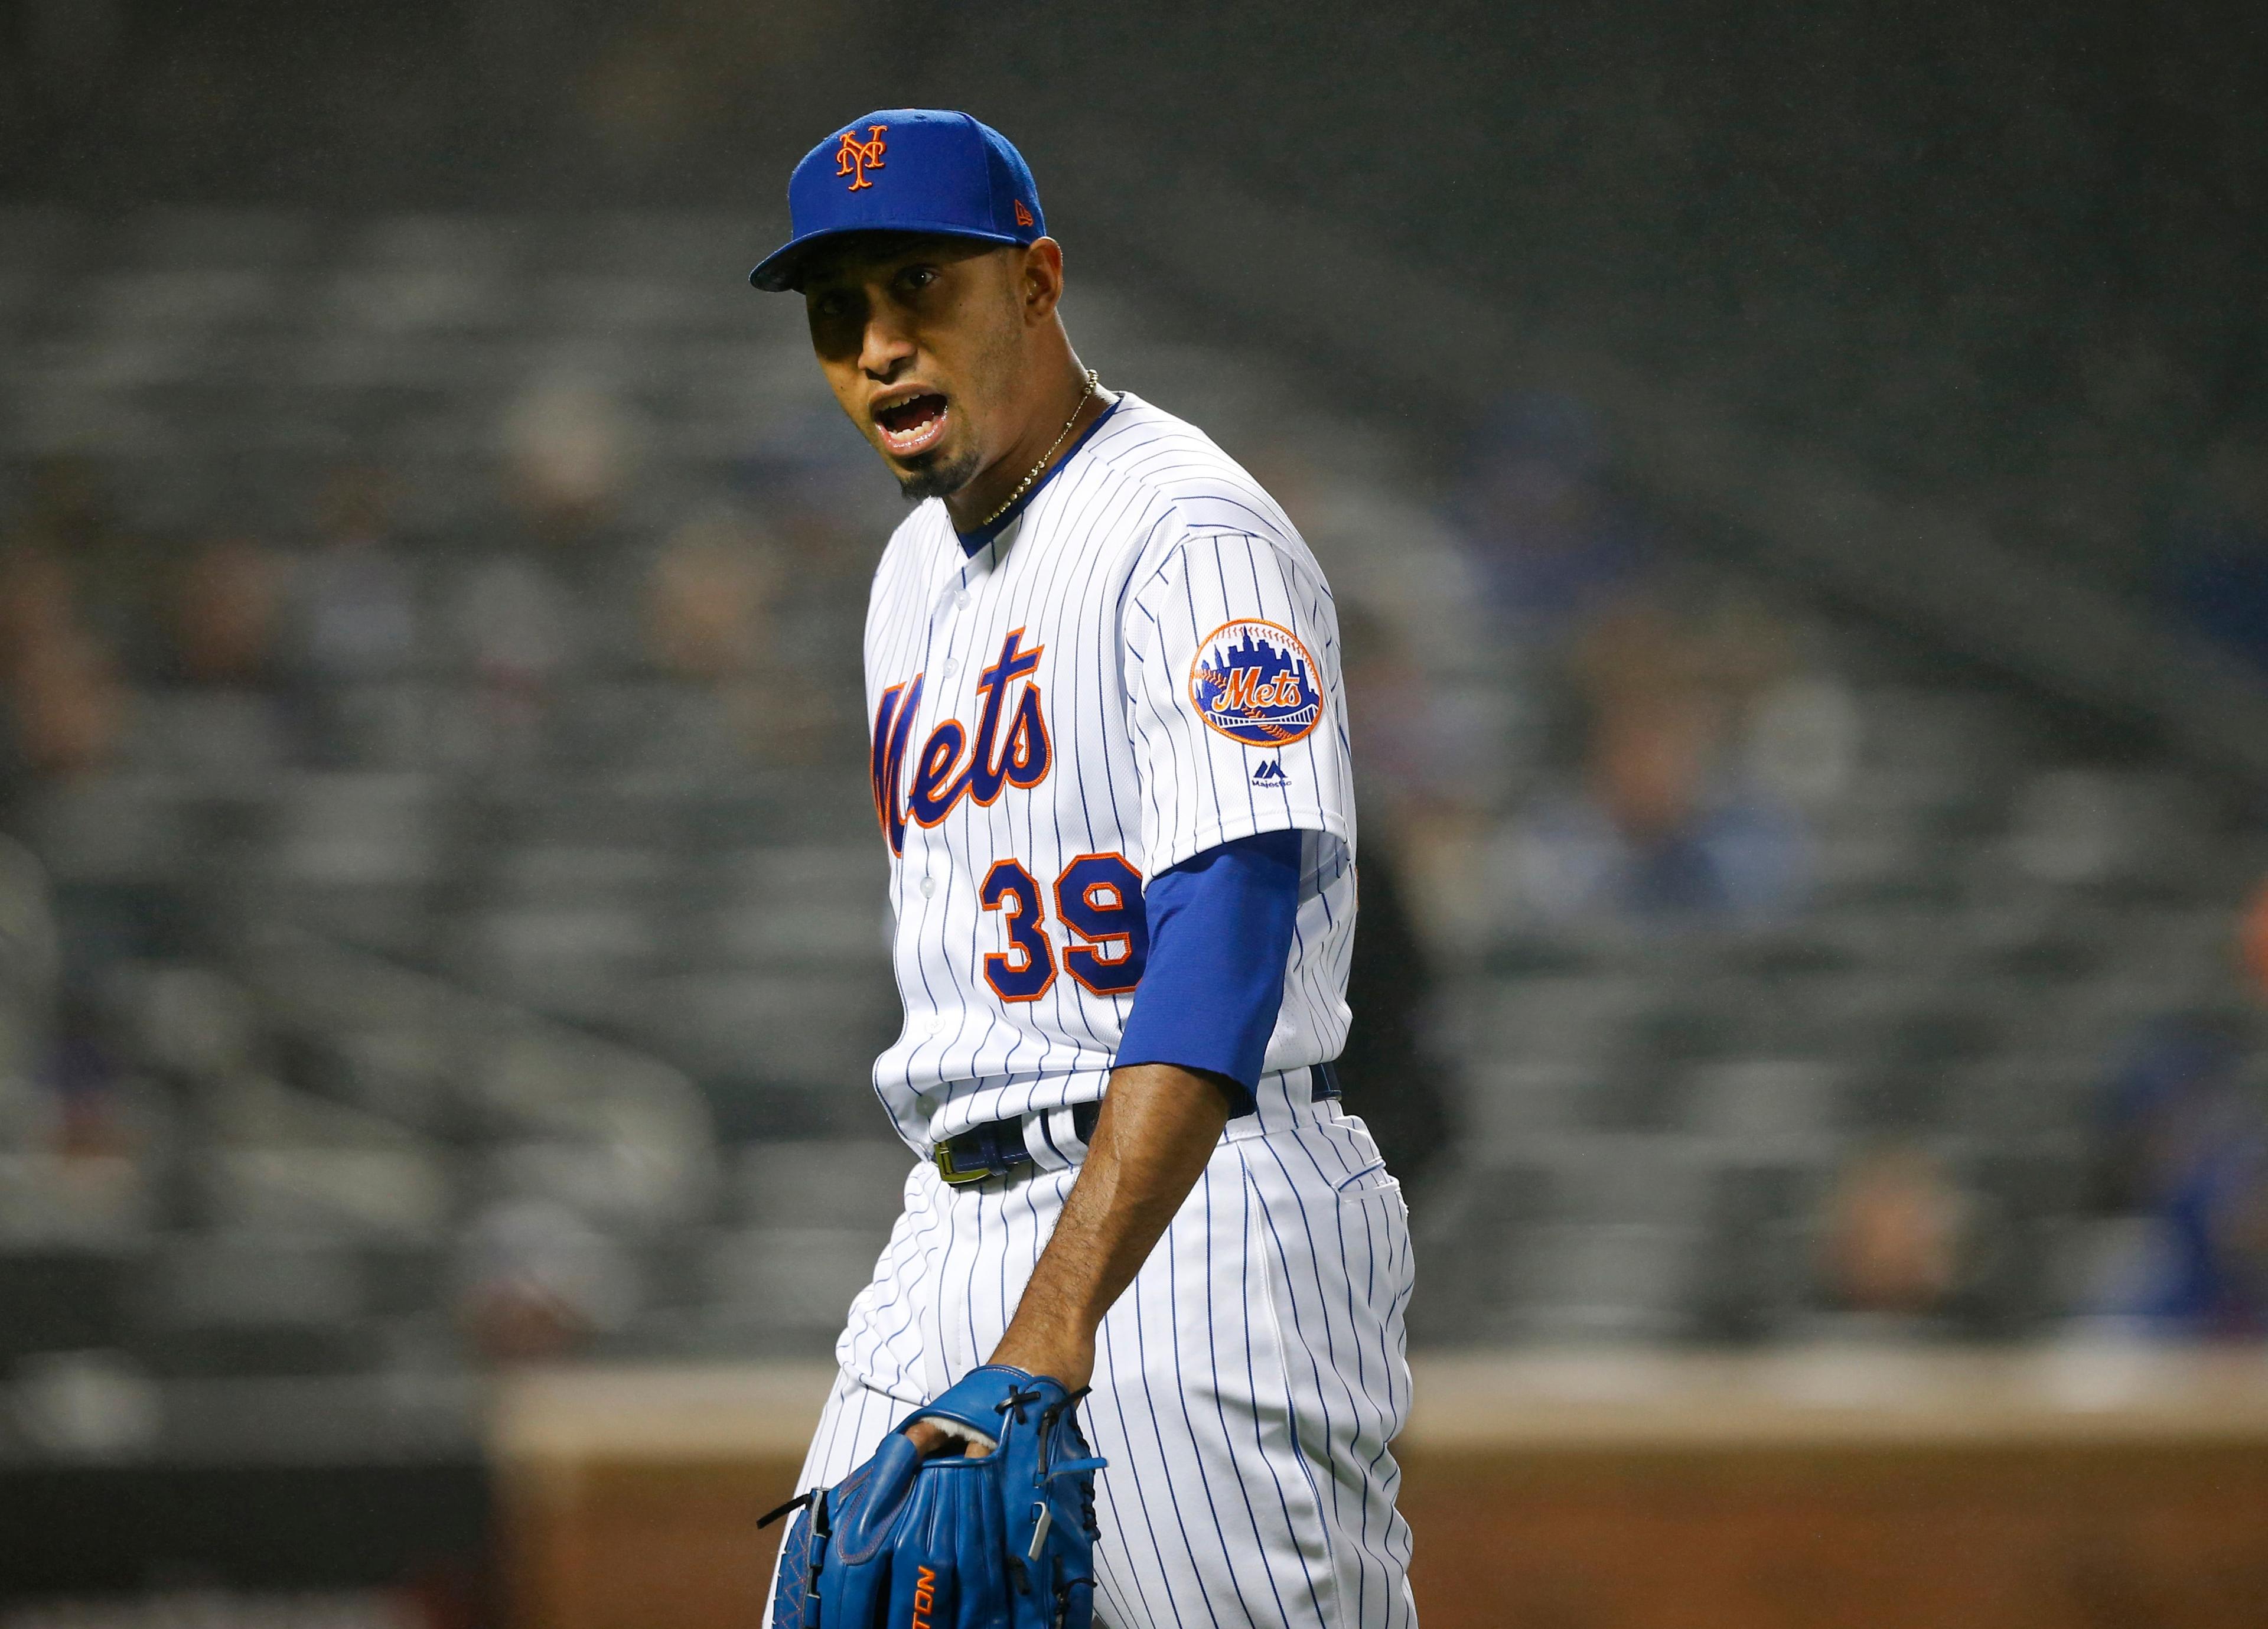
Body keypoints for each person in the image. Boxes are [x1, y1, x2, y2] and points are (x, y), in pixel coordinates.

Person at [746, 110, 1415, 1625]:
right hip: (956, 1209)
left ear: (1037, 282)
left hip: (1198, 1225)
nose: (879, 347)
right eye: (840, 314)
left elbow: (1227, 940)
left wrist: (1056, 1321)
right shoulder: (908, 578)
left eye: (921, 286)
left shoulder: (1189, 532)